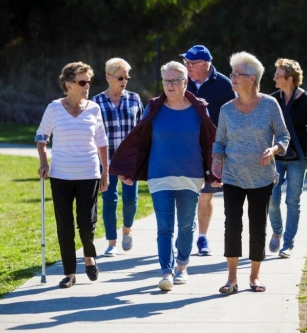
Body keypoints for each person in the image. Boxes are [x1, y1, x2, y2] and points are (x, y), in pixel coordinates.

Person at [109, 61, 221, 291]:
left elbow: (210, 141)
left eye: (175, 81)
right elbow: (139, 140)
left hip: (192, 175)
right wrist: (129, 170)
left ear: (185, 82)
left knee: (187, 226)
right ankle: (166, 272)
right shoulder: (154, 107)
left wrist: (215, 170)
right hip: (159, 175)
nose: (170, 86)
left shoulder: (199, 107)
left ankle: (182, 266)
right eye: (166, 81)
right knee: (164, 227)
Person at [212, 51, 290, 294]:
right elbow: (219, 142)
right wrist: (216, 160)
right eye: (232, 73)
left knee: (258, 226)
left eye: (238, 74)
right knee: (232, 226)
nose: (232, 78)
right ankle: (231, 279)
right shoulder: (226, 109)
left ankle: (254, 277)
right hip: (233, 176)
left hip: (262, 177)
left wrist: (275, 149)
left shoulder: (269, 105)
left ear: (253, 78)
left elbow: (284, 135)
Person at [35, 61, 109, 289]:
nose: (87, 85)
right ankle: (69, 273)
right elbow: (41, 136)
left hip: (88, 174)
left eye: (89, 81)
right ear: (68, 84)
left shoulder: (94, 108)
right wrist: (43, 161)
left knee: (87, 223)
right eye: (82, 82)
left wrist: (105, 172)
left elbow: (102, 142)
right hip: (61, 176)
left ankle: (89, 256)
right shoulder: (54, 108)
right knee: (64, 225)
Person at [179, 45, 236, 256]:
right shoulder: (181, 82)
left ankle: (202, 238)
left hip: (213, 149)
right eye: (186, 63)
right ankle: (185, 232)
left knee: (206, 195)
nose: (187, 67)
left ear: (205, 65)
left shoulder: (224, 85)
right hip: (185, 147)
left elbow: (232, 117)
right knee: (185, 193)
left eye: (191, 63)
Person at [268, 58, 307, 258]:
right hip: (277, 156)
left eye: (278, 75)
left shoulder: (306, 100)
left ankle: (288, 244)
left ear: (289, 79)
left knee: (293, 200)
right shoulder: (273, 99)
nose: (274, 78)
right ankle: (277, 231)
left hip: (299, 158)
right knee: (272, 199)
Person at [91, 58, 144, 257]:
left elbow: (141, 128)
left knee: (131, 200)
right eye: (120, 77)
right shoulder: (96, 102)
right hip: (106, 161)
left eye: (127, 77)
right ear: (108, 77)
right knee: (109, 200)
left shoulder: (134, 99)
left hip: (129, 161)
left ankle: (127, 229)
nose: (124, 81)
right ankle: (111, 242)